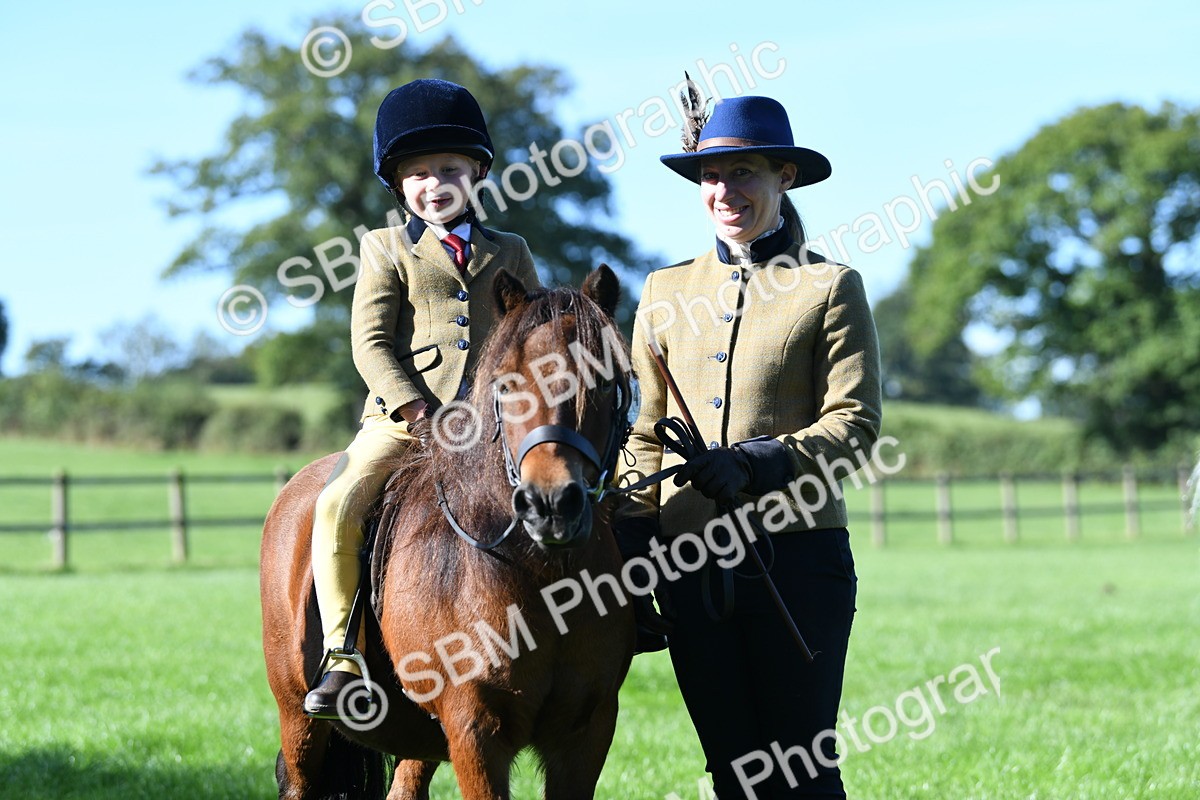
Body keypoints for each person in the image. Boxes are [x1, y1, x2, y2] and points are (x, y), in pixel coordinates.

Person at [615, 94, 882, 797]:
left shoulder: (830, 287)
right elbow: (644, 432)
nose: (725, 193)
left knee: (801, 766)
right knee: (731, 769)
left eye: (744, 174)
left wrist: (757, 462)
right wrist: (634, 531)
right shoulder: (663, 290)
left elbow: (854, 424)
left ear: (783, 178)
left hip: (797, 558)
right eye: (712, 178)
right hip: (689, 560)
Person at [303, 78, 541, 718]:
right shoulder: (384, 248)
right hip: (404, 424)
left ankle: (619, 614)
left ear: (478, 174)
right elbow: (370, 343)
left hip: (496, 425)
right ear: (399, 185)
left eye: (449, 170)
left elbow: (532, 335)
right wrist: (419, 414)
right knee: (336, 503)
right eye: (419, 174)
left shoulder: (511, 250)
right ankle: (342, 657)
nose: (434, 184)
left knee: (569, 485)